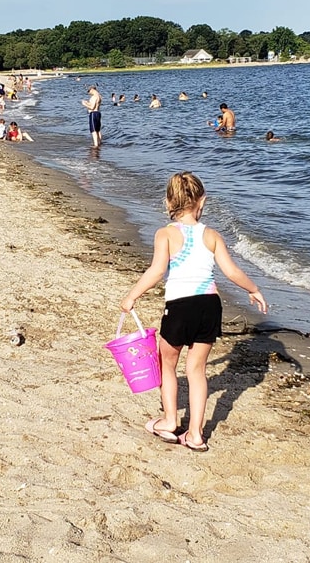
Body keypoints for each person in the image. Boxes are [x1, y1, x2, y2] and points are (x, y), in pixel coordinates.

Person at [120, 172, 268, 452]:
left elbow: (157, 270)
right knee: (197, 370)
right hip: (209, 306)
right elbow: (231, 271)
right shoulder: (211, 235)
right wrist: (254, 289)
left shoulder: (165, 234)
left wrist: (132, 296)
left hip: (180, 306)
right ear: (202, 200)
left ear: (168, 201)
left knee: (168, 366)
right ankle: (196, 434)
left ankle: (169, 421)